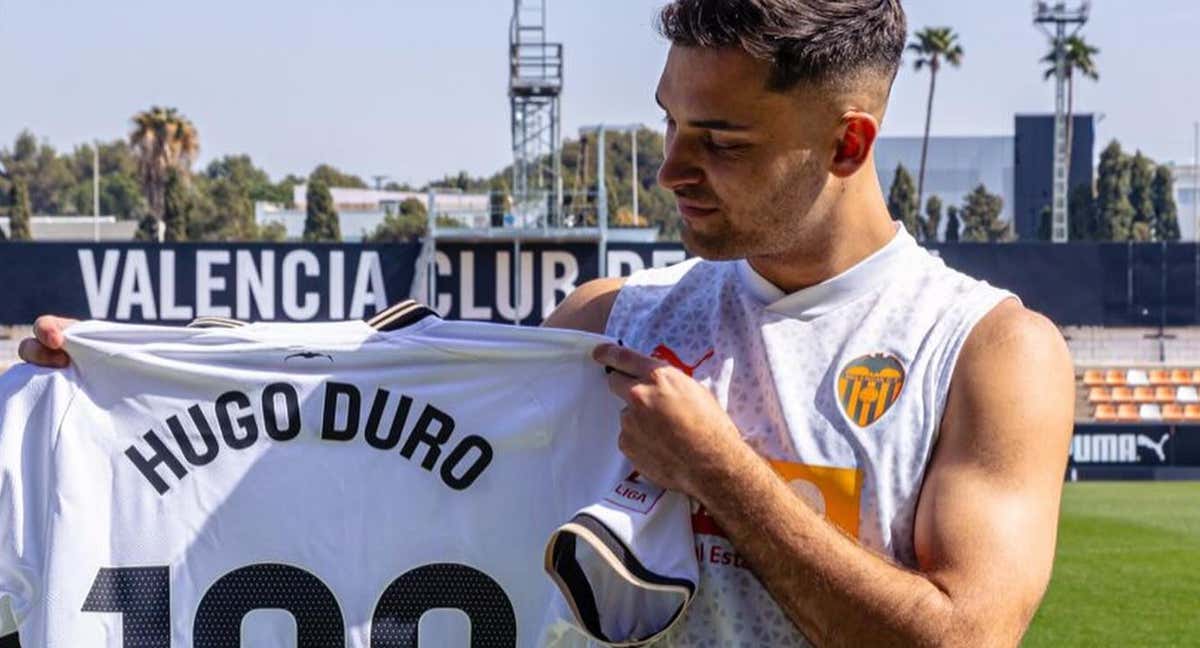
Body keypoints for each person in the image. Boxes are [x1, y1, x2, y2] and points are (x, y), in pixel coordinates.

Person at [20, 0, 1075, 645]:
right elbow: (376, 395)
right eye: (667, 122)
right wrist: (134, 366)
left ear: (848, 145)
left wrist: (718, 471)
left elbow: (963, 639)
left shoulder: (986, 352)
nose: (670, 169)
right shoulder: (621, 318)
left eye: (720, 139)